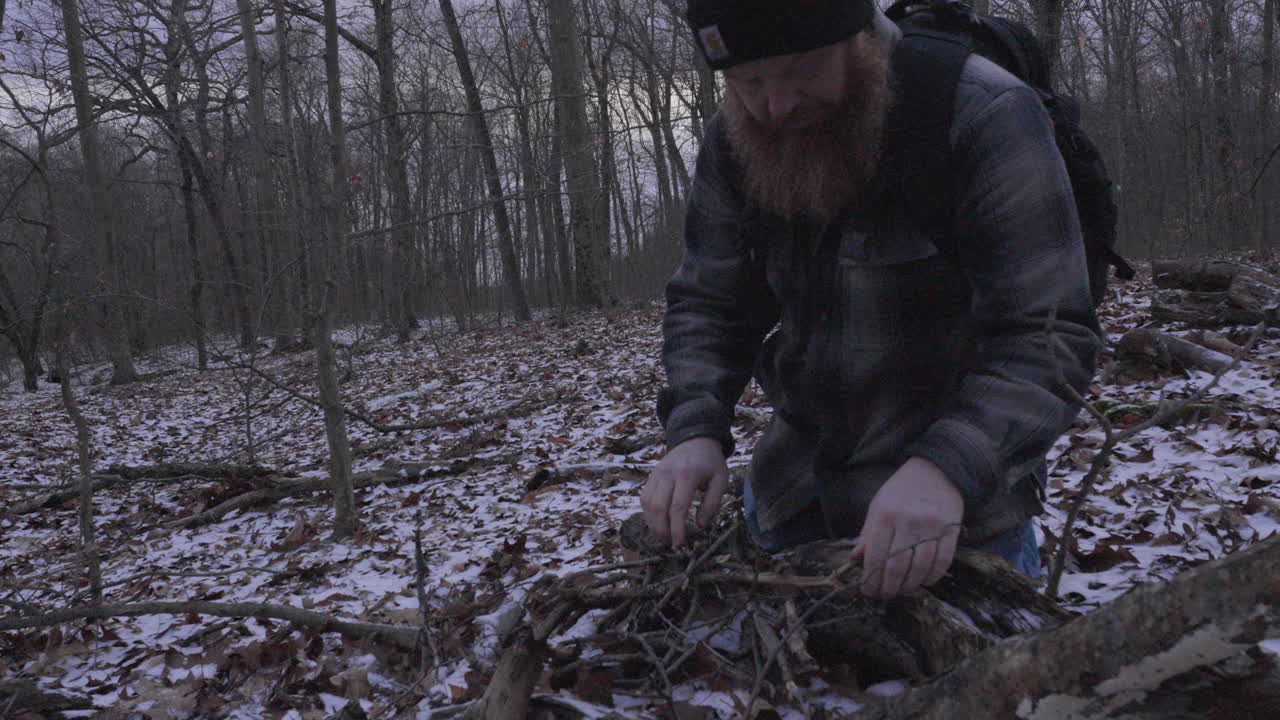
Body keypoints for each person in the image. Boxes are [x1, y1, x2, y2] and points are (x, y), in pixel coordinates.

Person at [640, 0, 1103, 599]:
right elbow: (709, 301)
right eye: (748, 81)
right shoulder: (740, 135)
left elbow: (1049, 333)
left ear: (858, 37)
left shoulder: (980, 110)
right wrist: (696, 428)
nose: (777, 106)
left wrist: (946, 470)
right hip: (791, 498)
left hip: (958, 522)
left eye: (801, 70)